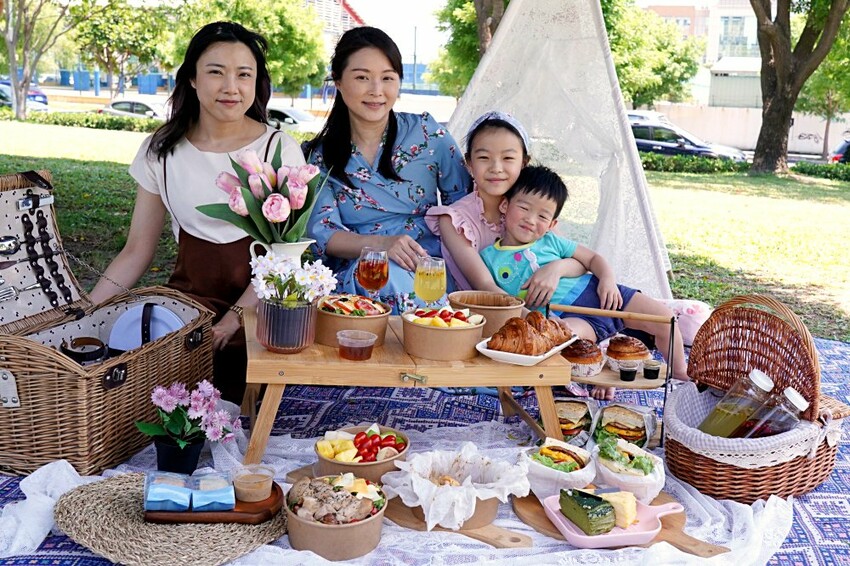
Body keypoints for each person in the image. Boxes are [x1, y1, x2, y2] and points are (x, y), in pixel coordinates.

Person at [89, 22, 306, 404]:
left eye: (244, 74)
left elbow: (283, 257)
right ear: (192, 78)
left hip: (261, 312)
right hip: (187, 311)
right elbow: (136, 250)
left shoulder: (278, 148)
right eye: (216, 72)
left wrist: (233, 320)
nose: (231, 87)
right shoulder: (161, 149)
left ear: (257, 82)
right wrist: (85, 313)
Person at [304, 27, 470, 314]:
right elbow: (324, 232)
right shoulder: (319, 155)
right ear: (338, 81)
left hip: (429, 267)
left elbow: (465, 206)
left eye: (387, 78)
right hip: (362, 271)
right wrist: (381, 245)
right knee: (383, 274)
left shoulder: (428, 135)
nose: (376, 90)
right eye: (362, 77)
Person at [480, 165, 689, 382]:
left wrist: (607, 280)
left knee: (666, 319)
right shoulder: (489, 258)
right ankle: (605, 375)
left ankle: (680, 371)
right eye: (524, 208)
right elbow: (500, 300)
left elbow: (592, 259)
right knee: (569, 344)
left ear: (552, 224)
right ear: (504, 205)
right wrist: (537, 320)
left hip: (602, 295)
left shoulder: (552, 241)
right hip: (563, 317)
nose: (531, 220)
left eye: (542, 216)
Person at [425, 111, 583, 305]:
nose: (496, 168)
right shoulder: (454, 221)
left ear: (524, 163)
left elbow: (580, 261)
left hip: (550, 308)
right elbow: (485, 286)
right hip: (488, 313)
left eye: (508, 158)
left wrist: (556, 269)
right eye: (484, 157)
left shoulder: (532, 210)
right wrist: (531, 319)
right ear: (469, 164)